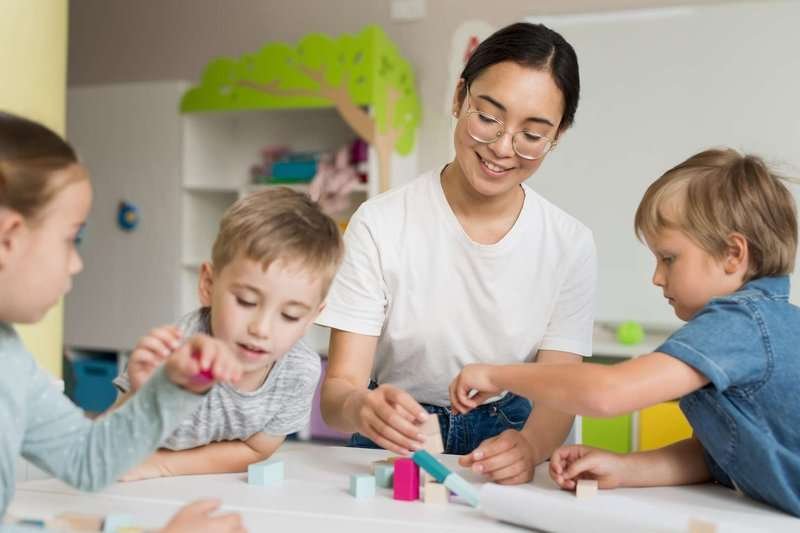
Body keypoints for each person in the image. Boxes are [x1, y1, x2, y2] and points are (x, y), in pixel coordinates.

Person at [317, 21, 596, 485]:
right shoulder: (380, 222)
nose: (502, 148)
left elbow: (559, 392)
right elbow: (338, 393)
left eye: (532, 135)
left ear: (558, 135)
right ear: (459, 97)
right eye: (487, 117)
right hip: (396, 430)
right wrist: (360, 407)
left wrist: (531, 446)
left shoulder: (570, 243)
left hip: (510, 432)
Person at [450, 148, 800, 517]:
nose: (657, 277)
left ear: (733, 254)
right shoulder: (758, 326)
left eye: (669, 258)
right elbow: (713, 456)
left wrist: (497, 375)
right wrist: (623, 468)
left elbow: (608, 392)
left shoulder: (739, 325)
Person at [0, 110, 246, 532]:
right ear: (8, 238)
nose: (76, 264)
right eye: (72, 238)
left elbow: (86, 458)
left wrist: (173, 386)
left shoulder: (10, 356)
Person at [112, 188, 343, 480]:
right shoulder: (176, 350)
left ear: (312, 318)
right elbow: (110, 439)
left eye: (290, 315)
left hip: (206, 485)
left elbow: (256, 450)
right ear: (209, 285)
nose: (261, 329)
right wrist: (143, 395)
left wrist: (162, 466)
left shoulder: (299, 371)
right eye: (246, 301)